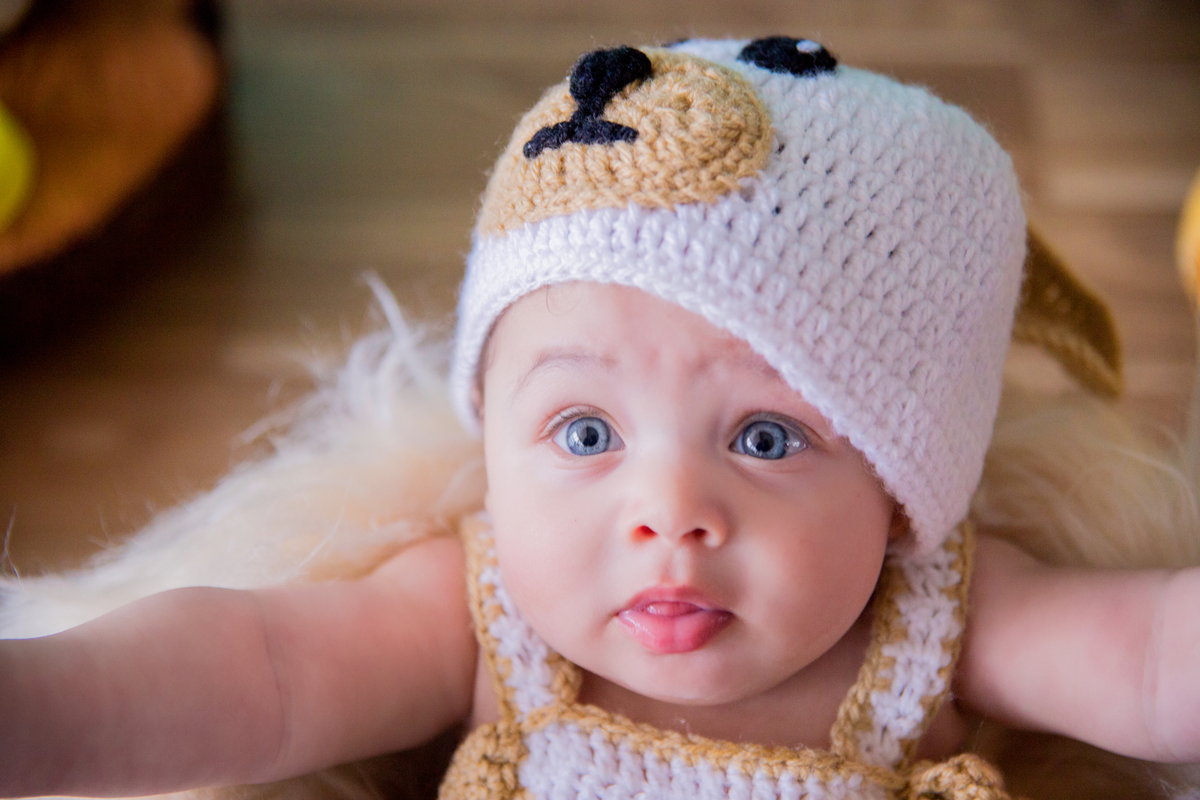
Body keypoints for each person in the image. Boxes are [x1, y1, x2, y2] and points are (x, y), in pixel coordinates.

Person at [1, 36, 1198, 800]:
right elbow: (262, 669)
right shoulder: (480, 618)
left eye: (766, 437)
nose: (668, 514)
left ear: (898, 487)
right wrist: (49, 707)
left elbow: (1153, 660)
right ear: (492, 437)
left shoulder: (941, 617)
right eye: (585, 434)